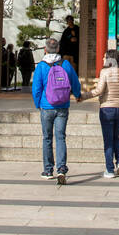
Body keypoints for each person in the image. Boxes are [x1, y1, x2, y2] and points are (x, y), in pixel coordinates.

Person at [32, 38, 81, 183]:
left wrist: (38, 104)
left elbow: (36, 88)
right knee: (61, 137)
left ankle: (48, 170)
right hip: (63, 106)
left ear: (45, 50)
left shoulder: (41, 66)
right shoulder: (65, 64)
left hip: (46, 107)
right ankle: (61, 169)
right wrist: (77, 95)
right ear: (58, 49)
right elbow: (75, 82)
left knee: (47, 138)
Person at [91, 49, 119, 178]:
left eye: (105, 57)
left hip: (107, 108)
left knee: (108, 139)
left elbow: (99, 90)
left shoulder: (105, 72)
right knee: (115, 136)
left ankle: (109, 169)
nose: (103, 59)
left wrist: (84, 95)